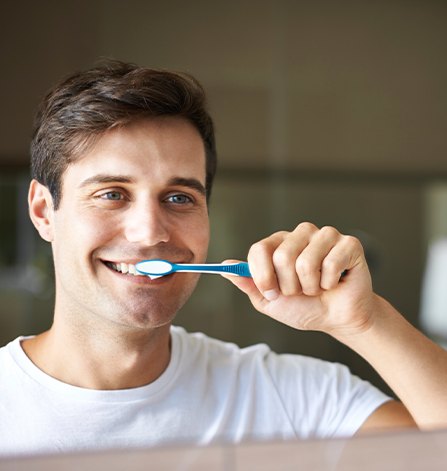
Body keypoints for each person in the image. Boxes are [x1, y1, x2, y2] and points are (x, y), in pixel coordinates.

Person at [0, 59, 445, 457]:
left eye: (178, 197)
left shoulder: (285, 397)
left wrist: (365, 322)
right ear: (43, 211)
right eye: (112, 194)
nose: (151, 231)